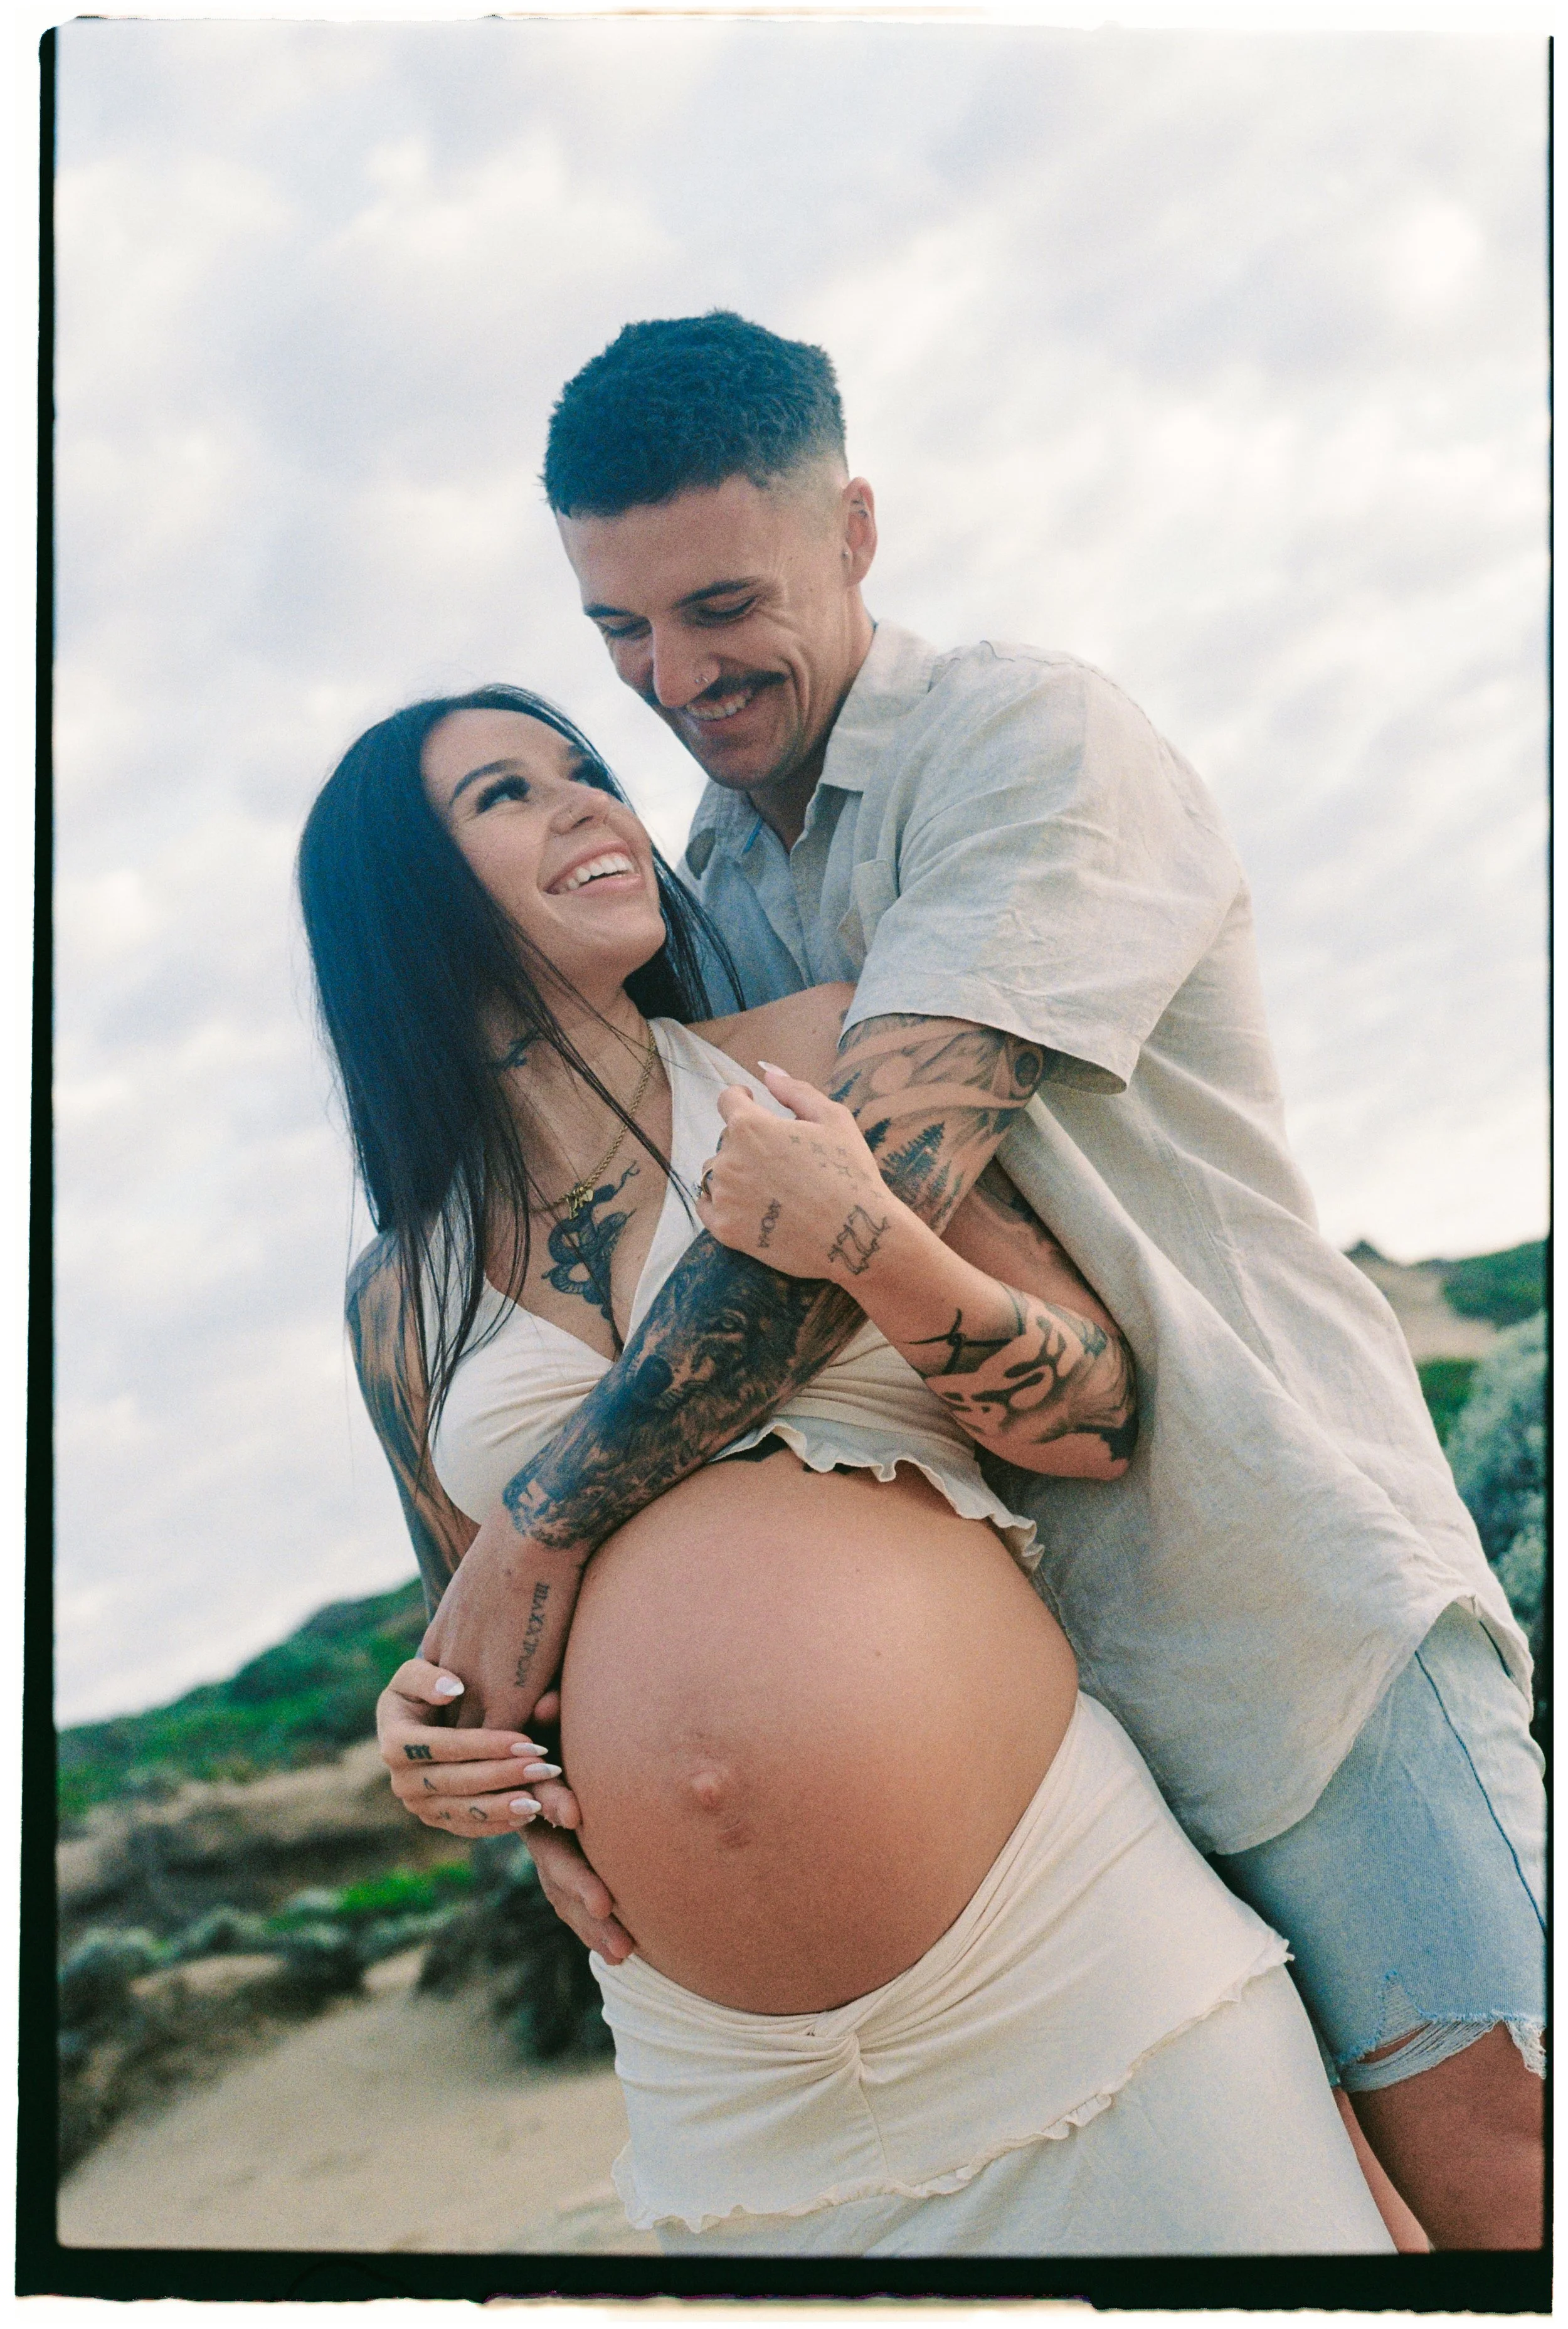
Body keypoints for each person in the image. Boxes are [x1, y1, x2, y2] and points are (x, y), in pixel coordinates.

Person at [376, 314, 1544, 2250]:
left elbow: (844, 1222)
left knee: (1492, 2172)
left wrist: (537, 1537)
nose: (674, 679)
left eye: (720, 604)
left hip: (1262, 1602)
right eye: (619, 634)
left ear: (852, 528)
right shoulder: (711, 886)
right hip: (1047, 1714)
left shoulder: (1025, 744)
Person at [299, 682, 1392, 2254]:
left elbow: (1093, 1409)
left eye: (585, 770)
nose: (589, 802)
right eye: (504, 795)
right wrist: (436, 1751)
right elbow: (473, 1634)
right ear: (397, 900)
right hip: (727, 2082)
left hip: (1067, 1952)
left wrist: (870, 1243)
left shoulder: (811, 1051)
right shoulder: (399, 1302)